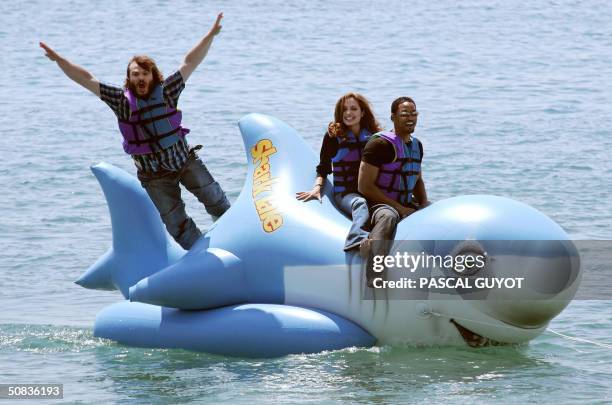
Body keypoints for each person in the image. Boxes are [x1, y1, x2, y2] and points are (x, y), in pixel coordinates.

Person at [39, 13, 231, 250]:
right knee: (177, 225)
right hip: (154, 177)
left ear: (153, 76)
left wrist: (210, 35)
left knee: (216, 200)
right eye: (135, 74)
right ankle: (205, 258)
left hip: (185, 162)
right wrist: (59, 60)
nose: (140, 78)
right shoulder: (120, 101)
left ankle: (235, 237)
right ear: (129, 78)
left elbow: (189, 62)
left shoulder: (168, 91)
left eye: (144, 73)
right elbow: (86, 79)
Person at [296, 93, 382, 251]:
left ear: (362, 112)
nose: (348, 113)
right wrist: (317, 188)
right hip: (346, 194)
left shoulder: (374, 137)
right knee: (360, 204)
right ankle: (356, 241)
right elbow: (323, 166)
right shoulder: (333, 137)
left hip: (371, 191)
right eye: (344, 110)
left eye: (353, 108)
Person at [358, 97, 430, 281]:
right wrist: (399, 208)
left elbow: (417, 179)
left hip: (405, 201)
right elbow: (364, 186)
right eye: (404, 114)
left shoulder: (416, 145)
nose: (410, 118)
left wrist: (423, 204)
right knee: (388, 217)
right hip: (379, 203)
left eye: (414, 113)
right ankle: (374, 273)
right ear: (393, 117)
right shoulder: (379, 144)